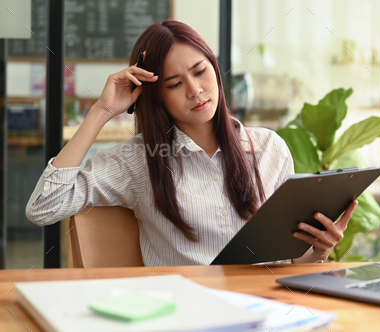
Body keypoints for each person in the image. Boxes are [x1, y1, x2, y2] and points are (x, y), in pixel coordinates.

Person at [25, 20, 357, 266]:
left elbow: (286, 270)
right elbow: (44, 206)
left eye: (200, 72)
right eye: (174, 84)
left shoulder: (270, 148)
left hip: (263, 313)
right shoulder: (141, 160)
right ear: (157, 97)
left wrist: (320, 250)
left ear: (215, 69)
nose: (195, 91)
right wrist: (102, 111)